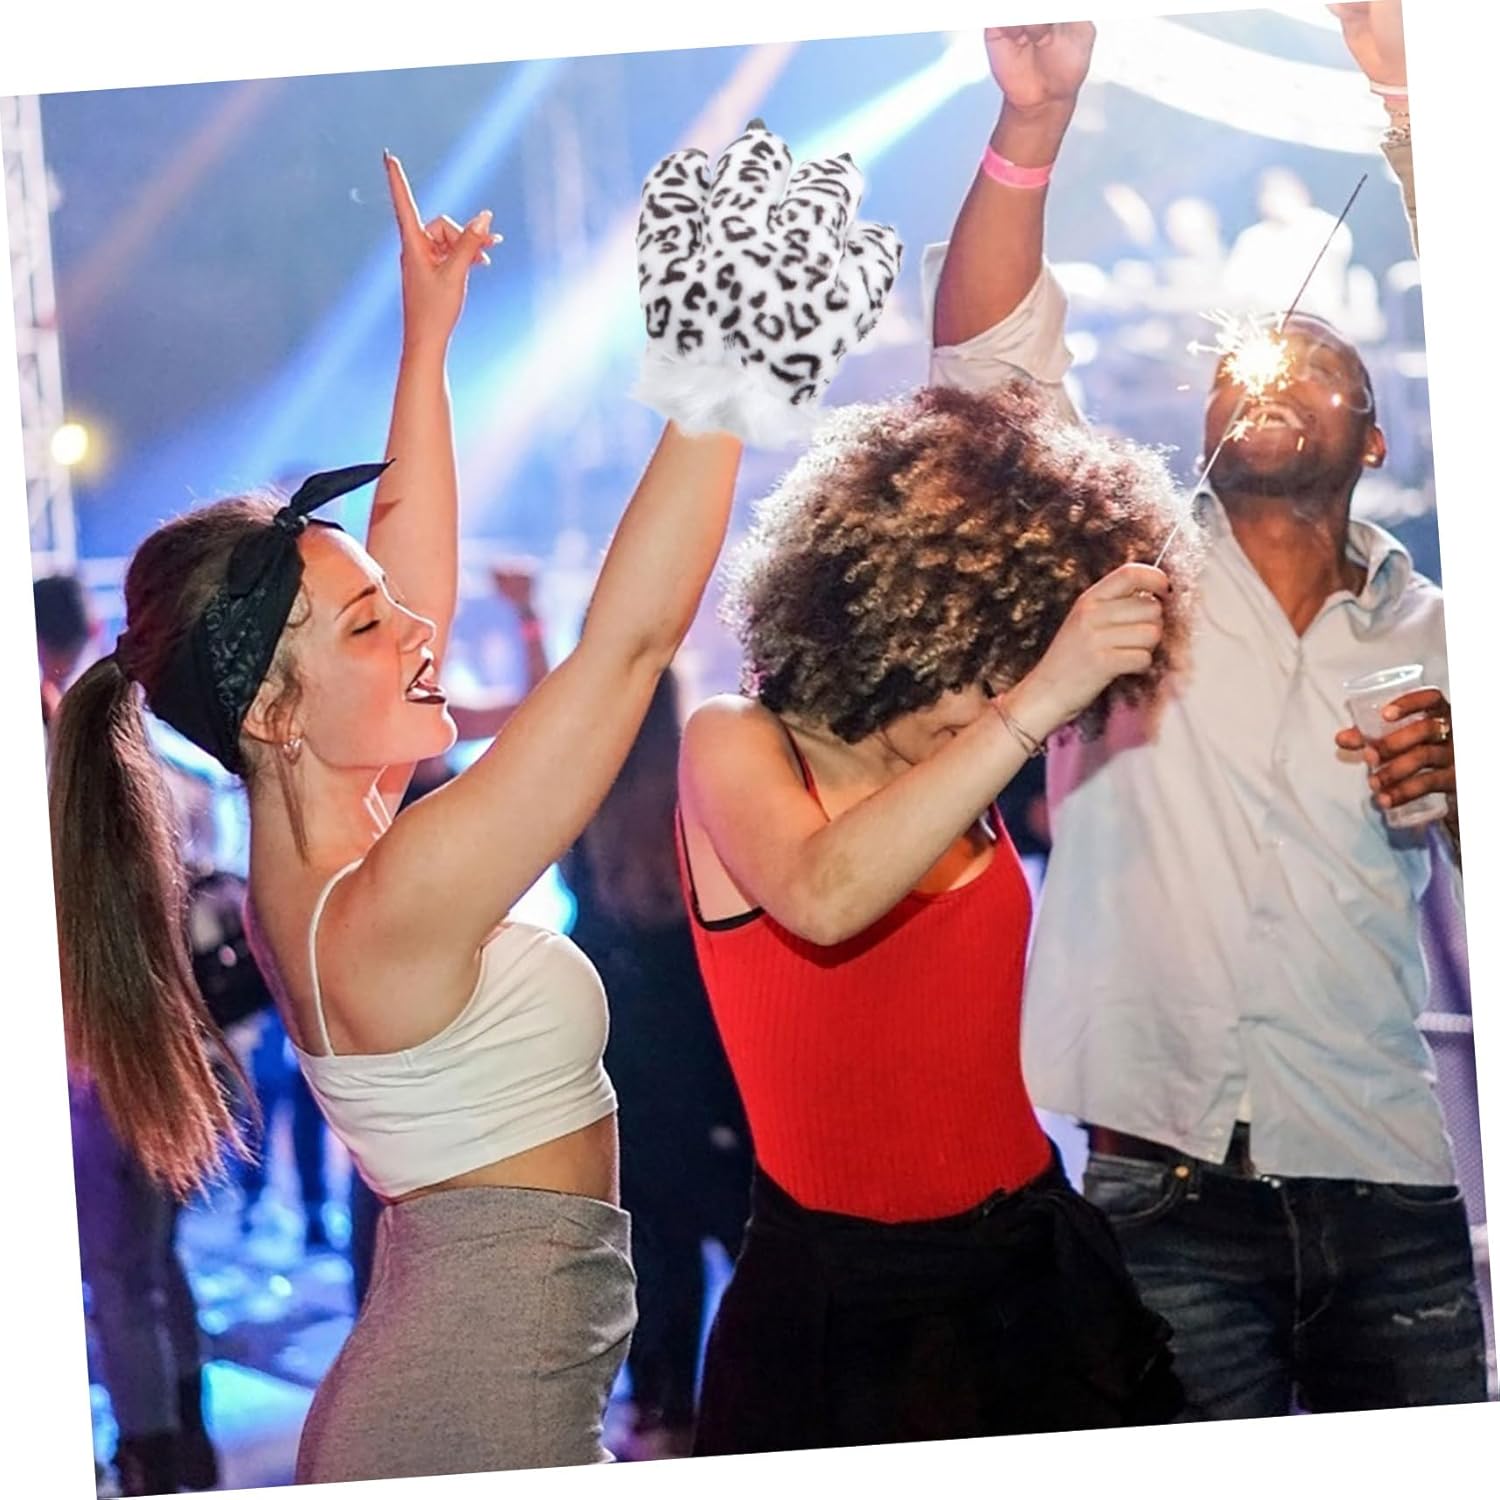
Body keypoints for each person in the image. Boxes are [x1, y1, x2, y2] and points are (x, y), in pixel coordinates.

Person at [48, 119, 894, 1482]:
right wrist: (723, 374)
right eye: (370, 629)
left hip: (478, 1402)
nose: (419, 634)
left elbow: (409, 569)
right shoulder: (387, 898)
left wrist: (427, 337)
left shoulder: (332, 851)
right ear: (273, 714)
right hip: (465, 1424)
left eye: (391, 611)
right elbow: (625, 648)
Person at [930, 8, 1486, 1419]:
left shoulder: (1446, 634)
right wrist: (1032, 127)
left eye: (1320, 366)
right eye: (1250, 367)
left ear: (1378, 437)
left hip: (1392, 1185)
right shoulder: (1116, 574)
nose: (1275, 374)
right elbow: (985, 368)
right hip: (1158, 1190)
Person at [676, 378, 1191, 1455]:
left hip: (1030, 1269)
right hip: (845, 1305)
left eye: (1019, 675)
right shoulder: (737, 739)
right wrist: (1032, 702)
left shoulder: (963, 760)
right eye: (985, 675)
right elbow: (823, 897)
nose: (998, 708)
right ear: (896, 625)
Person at [37, 574, 222, 1497]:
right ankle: (185, 1442)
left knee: (119, 1273)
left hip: (97, 1047)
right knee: (150, 1263)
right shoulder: (132, 749)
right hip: (159, 1035)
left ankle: (154, 1457)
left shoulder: (66, 748)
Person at [561, 668, 751, 1458]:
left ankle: (663, 1414)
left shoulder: (584, 792)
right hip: (709, 1048)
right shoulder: (698, 791)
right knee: (748, 1241)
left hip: (622, 1051)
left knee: (655, 1258)